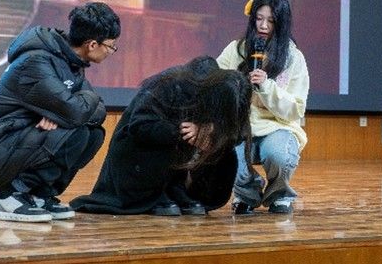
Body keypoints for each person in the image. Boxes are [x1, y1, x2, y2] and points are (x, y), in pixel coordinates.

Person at [0, 2, 121, 222]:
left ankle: (40, 194)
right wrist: (77, 105)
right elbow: (77, 110)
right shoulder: (36, 60)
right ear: (92, 44)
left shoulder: (72, 63)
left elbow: (97, 112)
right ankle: (11, 196)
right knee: (74, 128)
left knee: (92, 134)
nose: (111, 51)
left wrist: (62, 113)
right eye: (111, 46)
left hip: (23, 140)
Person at [70, 56, 252, 216]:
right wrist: (181, 131)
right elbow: (140, 127)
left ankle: (179, 190)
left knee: (225, 150)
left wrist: (212, 130)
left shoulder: (230, 97)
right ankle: (157, 193)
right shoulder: (172, 83)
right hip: (138, 159)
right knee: (172, 137)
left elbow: (239, 133)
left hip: (178, 170)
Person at [216, 0, 309, 214]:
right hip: (240, 126)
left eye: (271, 21)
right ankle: (246, 194)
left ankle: (280, 195)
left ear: (281, 24)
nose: (264, 26)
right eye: (259, 18)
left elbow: (295, 109)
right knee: (226, 155)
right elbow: (215, 82)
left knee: (278, 154)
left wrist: (267, 86)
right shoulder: (236, 49)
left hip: (278, 127)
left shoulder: (293, 58)